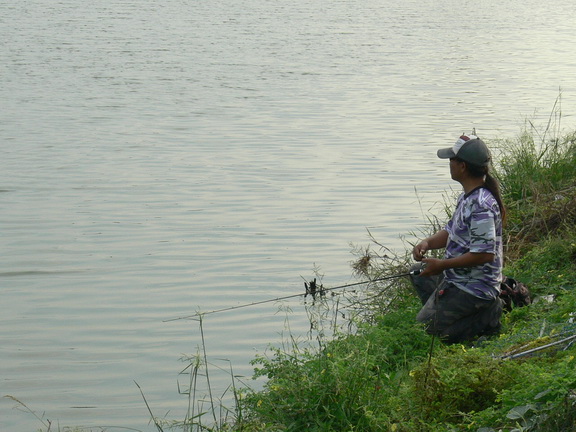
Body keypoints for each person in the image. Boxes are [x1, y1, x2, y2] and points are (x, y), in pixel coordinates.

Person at [410, 133, 505, 343]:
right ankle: (443, 312)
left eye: (452, 160)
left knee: (426, 333)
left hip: (475, 287)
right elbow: (450, 231)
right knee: (417, 272)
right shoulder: (467, 197)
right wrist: (427, 243)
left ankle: (486, 316)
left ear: (462, 166)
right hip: (457, 277)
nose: (449, 163)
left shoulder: (481, 204)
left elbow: (484, 255)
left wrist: (442, 264)